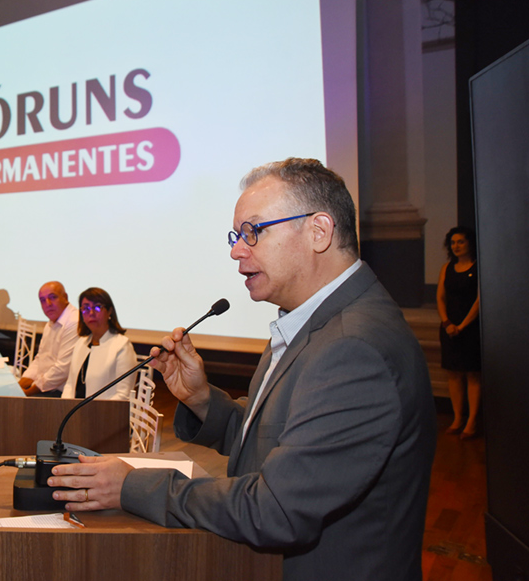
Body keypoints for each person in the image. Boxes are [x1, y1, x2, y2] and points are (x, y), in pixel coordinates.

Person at [47, 158, 437, 581]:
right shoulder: (309, 321)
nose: (236, 249)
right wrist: (201, 400)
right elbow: (275, 441)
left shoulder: (354, 347)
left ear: (319, 231)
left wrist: (130, 486)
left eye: (253, 231)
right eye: (236, 235)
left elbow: (276, 509)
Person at [437, 226, 481, 439]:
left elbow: (480, 300)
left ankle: (472, 422)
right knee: (453, 374)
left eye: (461, 241)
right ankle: (457, 418)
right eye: (453, 242)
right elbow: (440, 297)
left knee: (472, 374)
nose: (456, 246)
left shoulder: (479, 267)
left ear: (470, 243)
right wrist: (447, 323)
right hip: (449, 328)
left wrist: (462, 326)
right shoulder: (447, 268)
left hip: (471, 329)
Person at [61, 288, 137, 400]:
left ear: (109, 311)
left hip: (105, 414)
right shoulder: (81, 343)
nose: (91, 313)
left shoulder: (122, 346)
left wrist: (97, 414)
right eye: (86, 308)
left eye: (97, 307)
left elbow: (123, 395)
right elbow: (70, 385)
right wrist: (64, 409)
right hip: (74, 412)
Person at [19, 281, 80, 397]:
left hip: (60, 393)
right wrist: (19, 385)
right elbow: (40, 359)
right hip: (45, 386)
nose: (48, 303)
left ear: (65, 297)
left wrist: (28, 392)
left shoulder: (74, 322)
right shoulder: (51, 322)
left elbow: (62, 370)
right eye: (42, 300)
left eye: (52, 297)